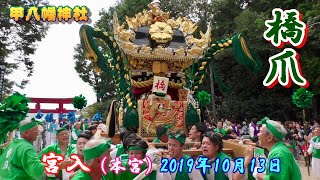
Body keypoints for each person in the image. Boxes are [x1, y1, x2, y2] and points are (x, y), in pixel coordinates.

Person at [0, 118, 69, 179]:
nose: (38, 131)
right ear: (26, 132)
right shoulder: (26, 147)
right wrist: (59, 165)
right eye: (35, 129)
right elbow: (36, 168)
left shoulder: (13, 143)